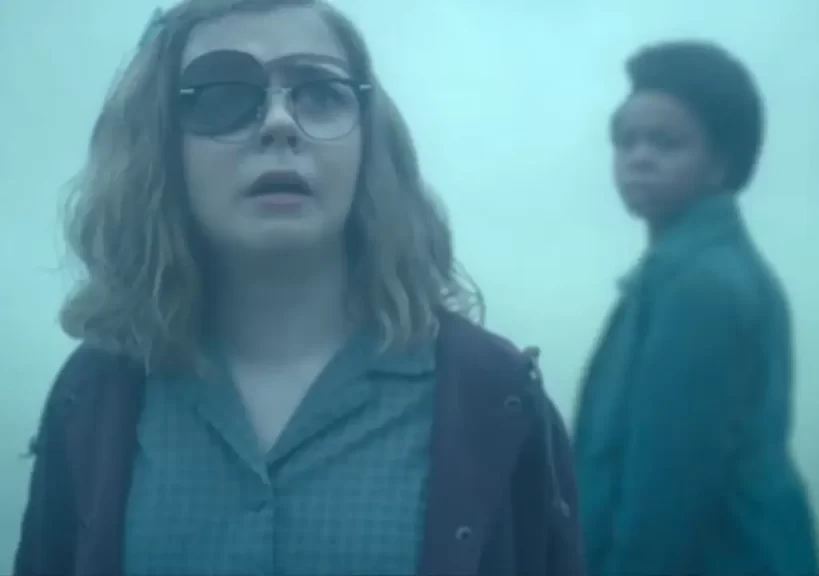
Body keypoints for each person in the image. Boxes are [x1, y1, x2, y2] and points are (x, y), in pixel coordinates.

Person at [13, 1, 583, 575]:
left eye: (320, 92)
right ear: (164, 145)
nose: (279, 123)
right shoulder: (96, 395)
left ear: (369, 140)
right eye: (224, 95)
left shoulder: (494, 397)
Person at [572, 40, 819, 576]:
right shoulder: (682, 274)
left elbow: (665, 495)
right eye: (626, 140)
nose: (639, 157)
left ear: (721, 164)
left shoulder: (701, 289)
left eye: (666, 143)